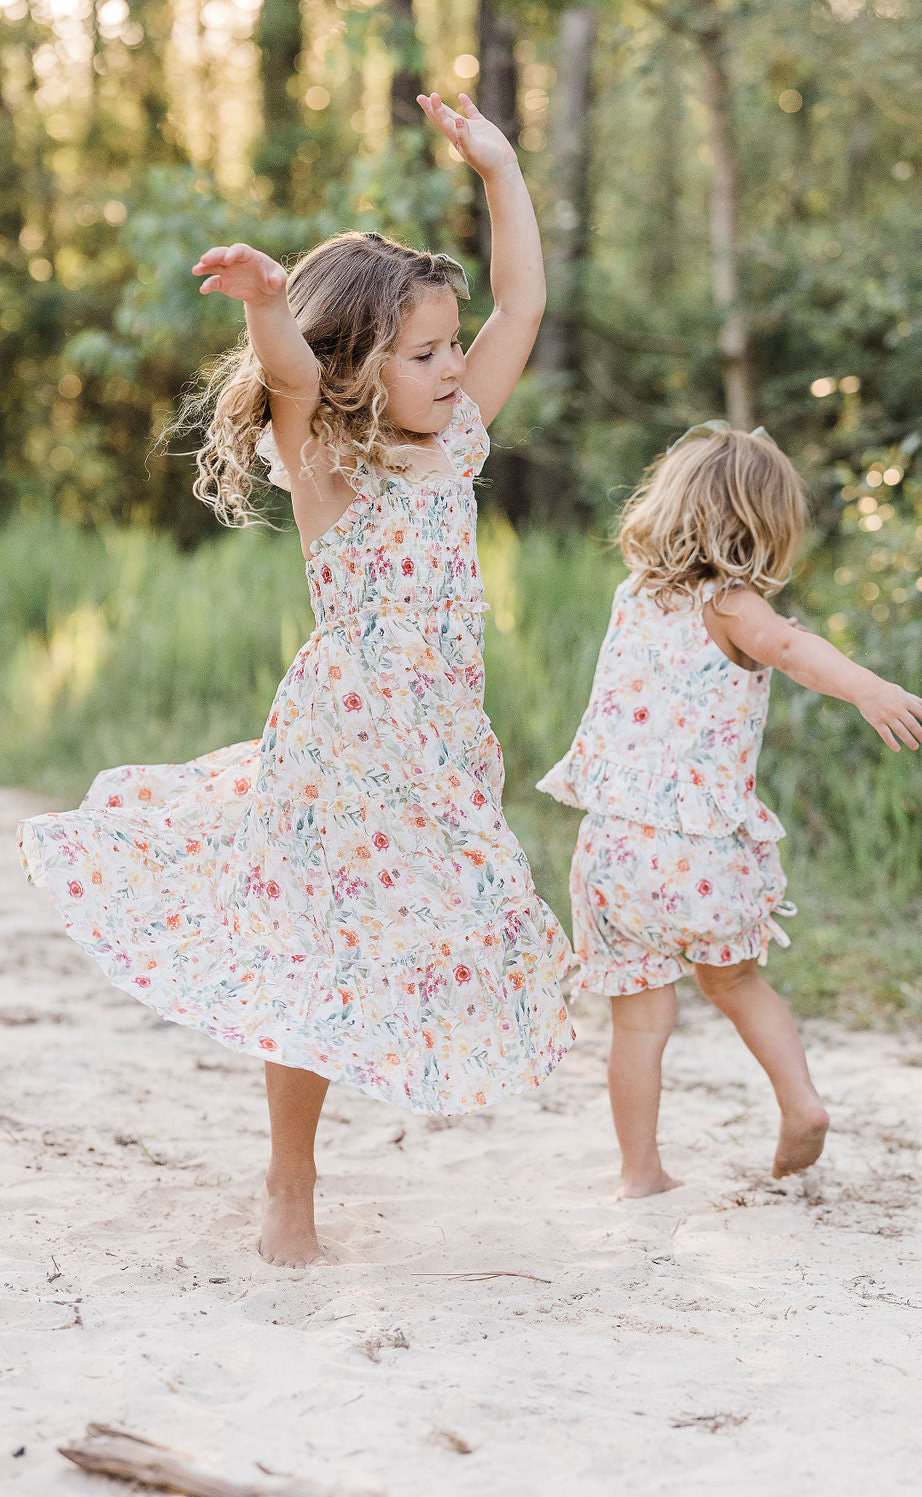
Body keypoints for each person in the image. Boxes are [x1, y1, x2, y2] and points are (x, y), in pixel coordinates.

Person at [18, 91, 573, 1266]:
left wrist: (502, 171)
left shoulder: (456, 438)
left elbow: (524, 298)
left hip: (440, 746)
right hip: (342, 748)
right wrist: (273, 306)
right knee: (314, 944)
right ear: (360, 363)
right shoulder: (324, 455)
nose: (449, 365)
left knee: (472, 910)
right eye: (424, 352)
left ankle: (411, 1073)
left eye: (447, 348)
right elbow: (291, 381)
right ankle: (290, 1180)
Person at [538, 422, 922, 1197]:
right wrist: (869, 688)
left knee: (640, 1023)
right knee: (737, 983)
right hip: (698, 853)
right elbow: (788, 651)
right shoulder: (732, 605)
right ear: (765, 526)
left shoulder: (636, 596)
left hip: (613, 852)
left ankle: (641, 1173)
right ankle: (801, 1103)